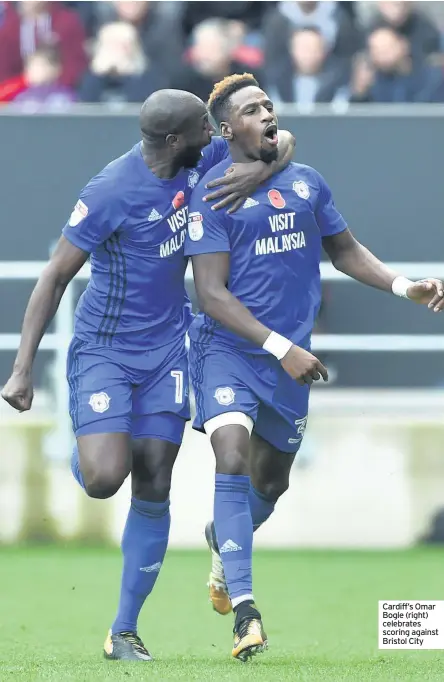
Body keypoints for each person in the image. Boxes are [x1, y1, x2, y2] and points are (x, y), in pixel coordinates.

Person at [1, 88, 295, 662]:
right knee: (107, 476)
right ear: (172, 141)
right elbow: (54, 277)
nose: (214, 139)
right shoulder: (111, 190)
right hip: (105, 351)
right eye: (202, 132)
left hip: (167, 349)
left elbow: (280, 142)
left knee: (155, 475)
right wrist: (20, 369)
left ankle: (124, 630)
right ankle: (90, 448)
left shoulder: (203, 160)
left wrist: (259, 173)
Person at [184, 73, 444, 661]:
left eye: (270, 105)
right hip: (230, 349)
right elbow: (212, 295)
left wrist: (406, 286)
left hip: (289, 361)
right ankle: (246, 614)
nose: (268, 114)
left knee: (270, 483)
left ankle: (221, 538)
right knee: (230, 455)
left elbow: (344, 249)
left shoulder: (305, 183)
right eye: (252, 110)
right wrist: (281, 347)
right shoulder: (212, 192)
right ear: (227, 129)